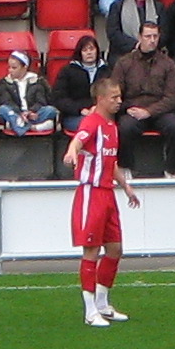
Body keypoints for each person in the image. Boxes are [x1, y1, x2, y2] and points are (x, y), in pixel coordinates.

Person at [68, 71, 136, 324]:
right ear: (101, 99)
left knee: (115, 248)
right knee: (91, 250)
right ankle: (90, 311)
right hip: (91, 193)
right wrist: (72, 152)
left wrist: (126, 187)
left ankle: (103, 303)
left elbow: (111, 161)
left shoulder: (112, 127)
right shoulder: (92, 122)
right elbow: (78, 140)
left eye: (120, 96)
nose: (119, 101)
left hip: (108, 194)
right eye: (114, 97)